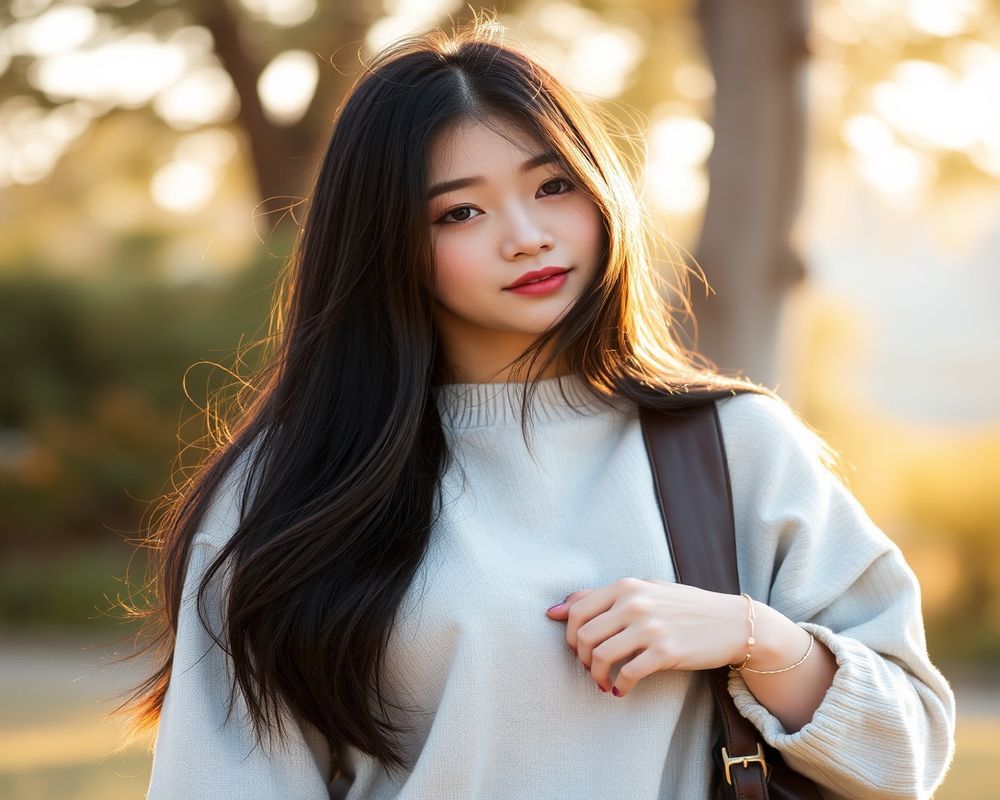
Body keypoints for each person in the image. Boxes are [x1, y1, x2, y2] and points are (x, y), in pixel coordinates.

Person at [121, 15, 956, 800]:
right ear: (385, 243)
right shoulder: (289, 486)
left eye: (553, 185)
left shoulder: (732, 446)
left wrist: (756, 637)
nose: (526, 235)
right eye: (461, 211)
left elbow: (907, 751)